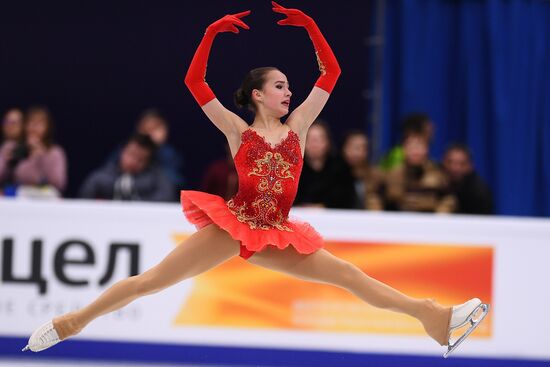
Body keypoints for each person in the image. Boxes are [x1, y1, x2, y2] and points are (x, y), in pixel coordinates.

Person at [23, 2, 488, 358]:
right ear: (259, 94)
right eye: (281, 85)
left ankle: (435, 317)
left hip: (279, 233)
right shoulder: (237, 130)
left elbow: (333, 72)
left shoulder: (301, 126)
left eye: (289, 86)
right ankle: (72, 323)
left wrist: (310, 26)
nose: (289, 92)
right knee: (151, 282)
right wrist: (209, 35)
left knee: (348, 274)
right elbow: (195, 83)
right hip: (236, 224)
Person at [79, 134, 175, 202]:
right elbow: (84, 198)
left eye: (140, 159)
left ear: (148, 162)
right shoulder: (102, 176)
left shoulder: (156, 178)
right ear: (122, 151)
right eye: (131, 154)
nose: (133, 161)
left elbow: (167, 197)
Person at [0, 106, 67, 196]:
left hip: (43, 195)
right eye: (31, 122)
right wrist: (7, 162)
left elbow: (59, 183)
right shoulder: (13, 147)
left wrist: (42, 158)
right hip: (16, 194)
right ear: (25, 125)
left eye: (39, 123)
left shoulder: (54, 152)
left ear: (47, 127)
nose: (34, 127)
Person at [385, 132, 456, 213]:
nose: (415, 152)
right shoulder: (393, 174)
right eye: (411, 147)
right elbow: (389, 201)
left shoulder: (438, 173)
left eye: (420, 147)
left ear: (427, 149)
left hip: (432, 219)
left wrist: (441, 213)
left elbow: (449, 198)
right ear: (404, 149)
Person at [294, 120, 356, 208]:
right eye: (310, 139)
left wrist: (323, 207)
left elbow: (347, 198)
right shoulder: (293, 169)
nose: (314, 144)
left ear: (327, 142)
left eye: (318, 139)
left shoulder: (341, 167)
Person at [442, 143, 493, 215]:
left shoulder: (478, 193)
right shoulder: (435, 183)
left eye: (461, 164)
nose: (455, 168)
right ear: (443, 162)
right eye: (450, 162)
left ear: (470, 166)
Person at [341, 130, 384, 210]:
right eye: (353, 147)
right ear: (344, 148)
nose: (357, 152)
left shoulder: (376, 175)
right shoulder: (334, 174)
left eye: (362, 148)